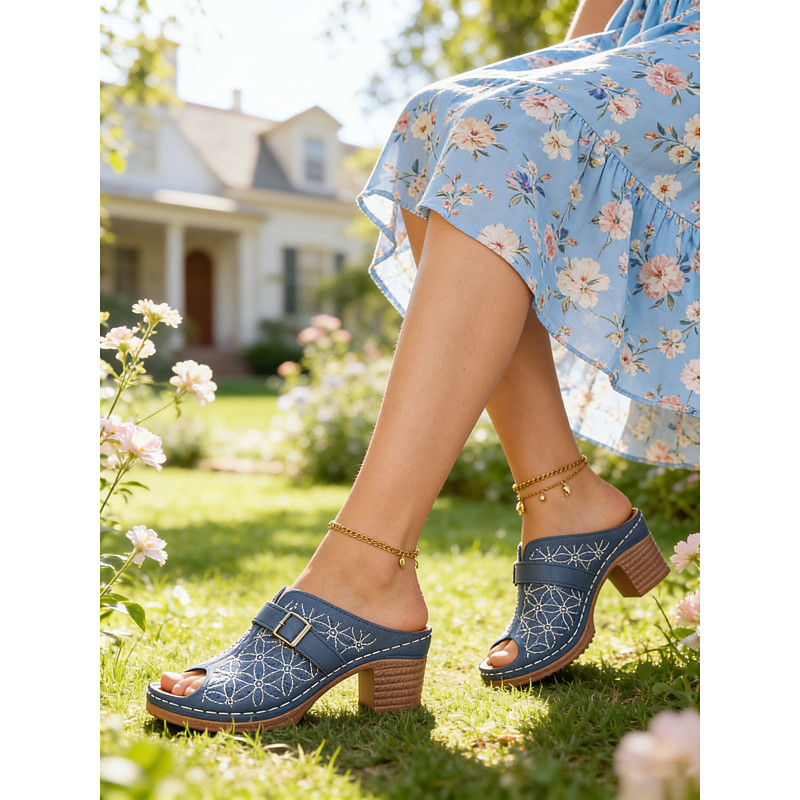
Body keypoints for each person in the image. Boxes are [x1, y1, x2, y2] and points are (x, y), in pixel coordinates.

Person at [146, 0, 700, 731]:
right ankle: (563, 500)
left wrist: (546, 118)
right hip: (648, 26)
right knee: (436, 122)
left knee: (505, 128)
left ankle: (365, 568)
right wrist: (572, 72)